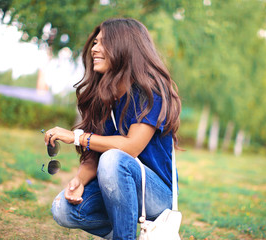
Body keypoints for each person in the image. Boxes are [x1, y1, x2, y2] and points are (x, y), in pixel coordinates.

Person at [44, 18, 181, 240]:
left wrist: (77, 137)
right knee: (63, 209)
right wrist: (80, 179)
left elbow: (130, 147)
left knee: (113, 159)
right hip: (115, 185)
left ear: (124, 46)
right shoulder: (102, 96)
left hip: (157, 195)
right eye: (95, 42)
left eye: (103, 43)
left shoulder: (150, 91)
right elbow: (94, 155)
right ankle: (120, 229)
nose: (94, 49)